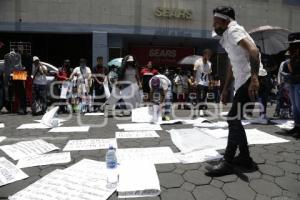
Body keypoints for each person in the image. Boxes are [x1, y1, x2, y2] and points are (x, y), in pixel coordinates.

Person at [205, 6, 264, 176]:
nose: (214, 26)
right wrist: (225, 89)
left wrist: (254, 78)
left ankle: (229, 162)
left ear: (225, 21)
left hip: (249, 78)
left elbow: (254, 50)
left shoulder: (233, 30)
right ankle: (244, 157)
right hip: (242, 80)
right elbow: (232, 64)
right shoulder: (228, 35)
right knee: (235, 119)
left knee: (232, 118)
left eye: (216, 23)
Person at [282, 32, 300, 138]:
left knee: (298, 105)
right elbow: (288, 68)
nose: (291, 45)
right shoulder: (292, 54)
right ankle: (297, 126)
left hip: (298, 83)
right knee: (295, 106)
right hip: (292, 82)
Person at [193, 49, 212, 116]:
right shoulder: (198, 62)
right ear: (204, 55)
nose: (209, 57)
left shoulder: (209, 64)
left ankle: (200, 109)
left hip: (206, 83)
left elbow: (209, 74)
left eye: (210, 56)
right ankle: (200, 110)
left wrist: (210, 82)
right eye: (208, 55)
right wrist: (194, 81)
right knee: (200, 96)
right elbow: (194, 71)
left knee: (204, 97)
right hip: (199, 82)